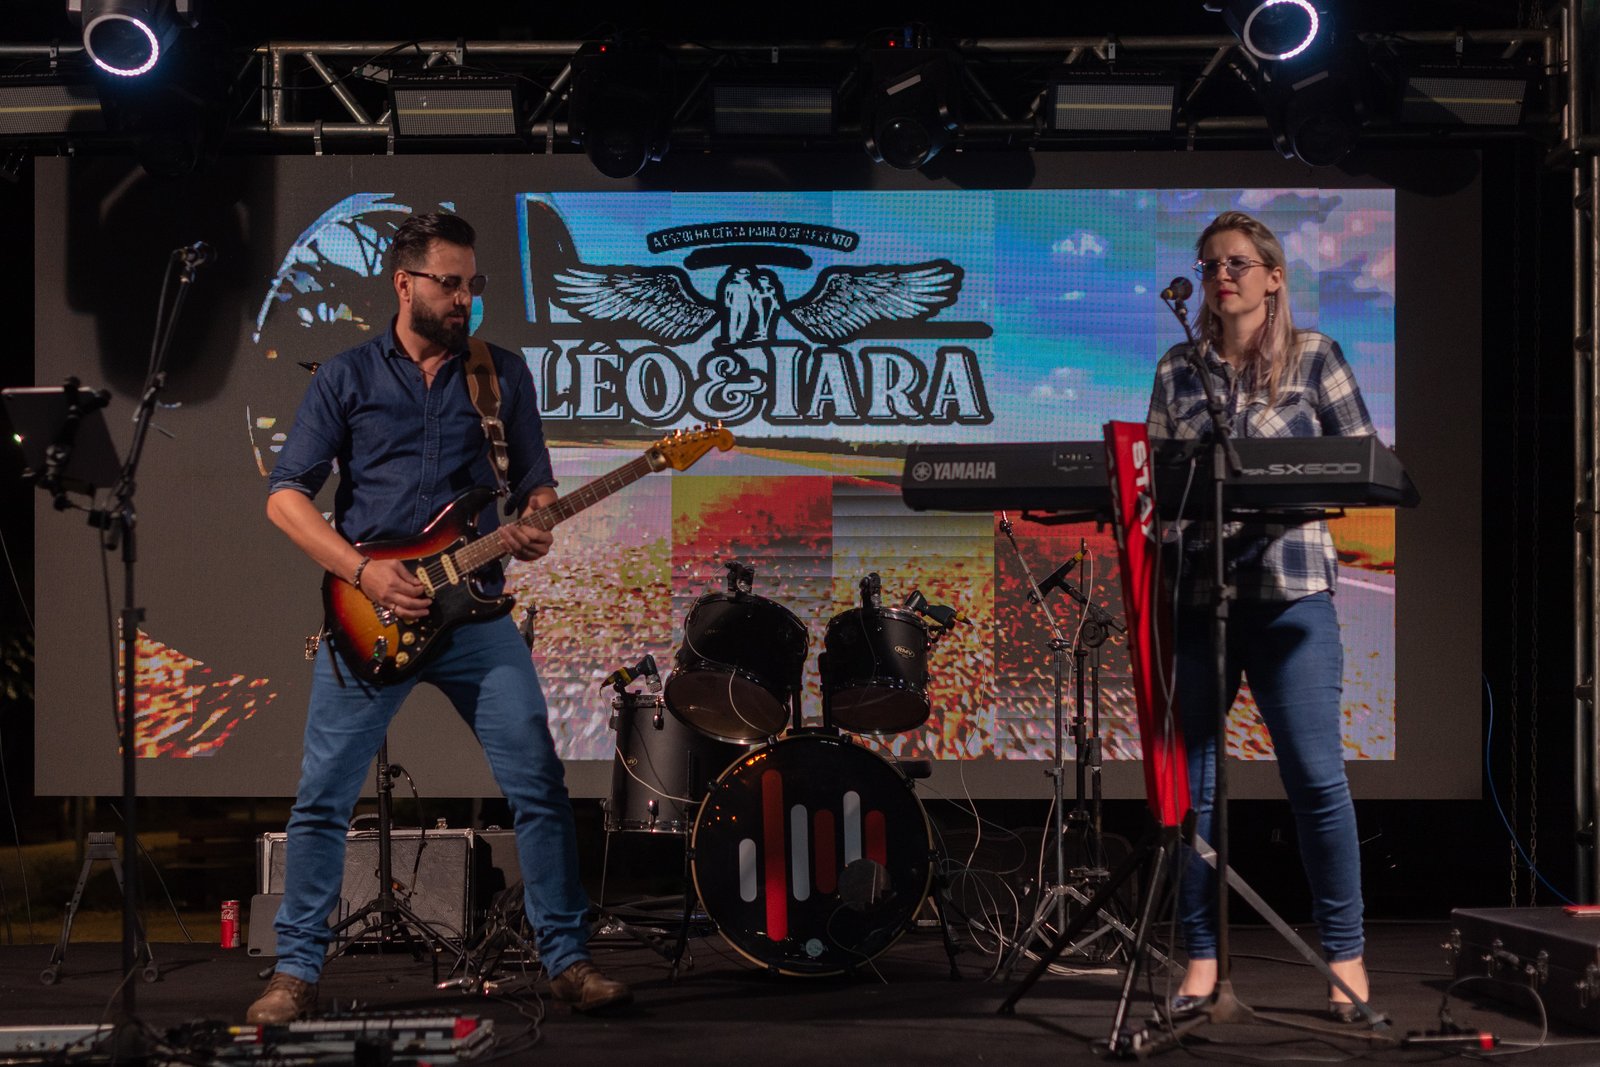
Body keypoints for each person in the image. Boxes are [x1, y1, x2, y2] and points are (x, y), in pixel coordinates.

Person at [248, 212, 631, 1023]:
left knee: (540, 785)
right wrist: (363, 570)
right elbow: (285, 498)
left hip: (477, 615)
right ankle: (294, 972)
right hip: (369, 613)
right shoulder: (347, 376)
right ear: (405, 283)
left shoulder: (501, 374)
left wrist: (537, 519)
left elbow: (535, 483)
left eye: (472, 284)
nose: (464, 299)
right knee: (322, 799)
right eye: (450, 284)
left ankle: (567, 959)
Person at [1146, 210, 1372, 1022]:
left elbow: (1364, 461)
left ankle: (1346, 958)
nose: (1220, 277)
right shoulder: (1177, 367)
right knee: (1196, 791)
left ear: (1274, 276)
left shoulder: (1315, 356)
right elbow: (1155, 481)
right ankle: (1202, 959)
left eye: (1237, 263)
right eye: (1209, 265)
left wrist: (1285, 477)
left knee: (1315, 778)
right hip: (1200, 599)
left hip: (1291, 598)